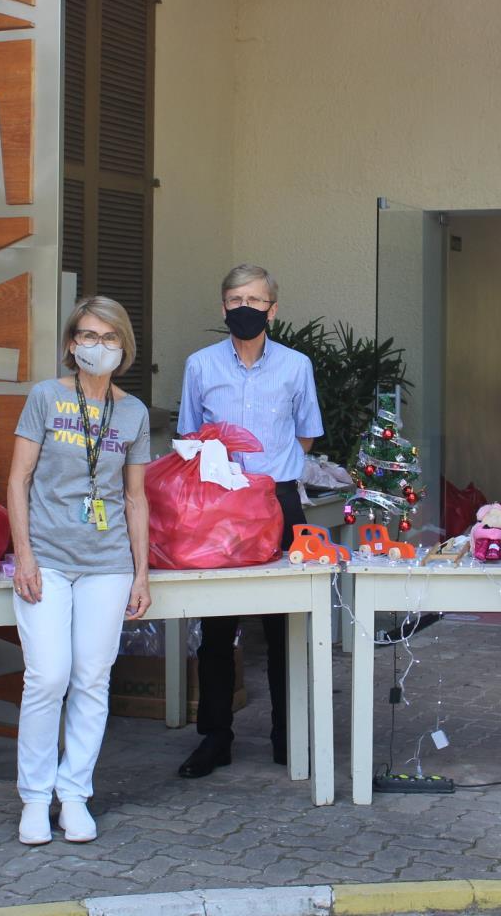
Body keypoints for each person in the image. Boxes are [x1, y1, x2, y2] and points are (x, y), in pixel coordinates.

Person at [7, 296, 152, 845]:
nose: (98, 346)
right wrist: (23, 554)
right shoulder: (45, 397)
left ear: (124, 347)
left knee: (92, 679)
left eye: (109, 337)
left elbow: (135, 498)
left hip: (107, 563)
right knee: (47, 676)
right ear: (71, 344)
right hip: (47, 556)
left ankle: (74, 796)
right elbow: (18, 479)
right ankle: (34, 798)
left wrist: (140, 573)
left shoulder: (133, 412)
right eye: (88, 336)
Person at [175, 264, 323, 779]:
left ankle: (289, 736)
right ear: (223, 307)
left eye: (256, 300)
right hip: (219, 507)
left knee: (286, 625)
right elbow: (189, 438)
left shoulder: (296, 366)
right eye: (235, 299)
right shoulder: (199, 365)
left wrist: (270, 474)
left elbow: (306, 436)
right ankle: (215, 737)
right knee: (217, 628)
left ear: (272, 310)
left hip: (280, 503)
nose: (245, 308)